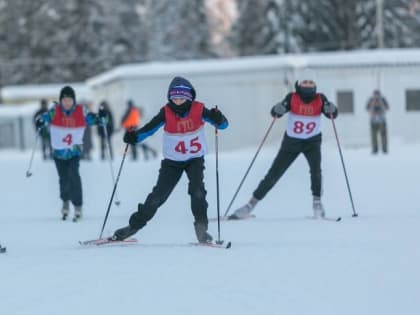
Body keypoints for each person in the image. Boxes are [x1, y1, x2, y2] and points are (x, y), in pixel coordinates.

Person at [111, 76, 228, 243]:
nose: (178, 101)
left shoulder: (199, 109)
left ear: (189, 97)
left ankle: (201, 230)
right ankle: (133, 226)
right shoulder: (166, 112)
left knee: (198, 192)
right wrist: (134, 137)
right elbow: (149, 129)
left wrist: (219, 118)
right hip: (172, 163)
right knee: (158, 195)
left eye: (181, 98)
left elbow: (223, 126)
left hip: (194, 160)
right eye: (174, 98)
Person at [229, 75, 338, 220]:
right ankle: (250, 205)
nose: (308, 85)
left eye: (311, 82)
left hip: (312, 142)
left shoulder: (320, 98)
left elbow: (331, 114)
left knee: (316, 172)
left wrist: (332, 109)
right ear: (299, 84)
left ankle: (317, 203)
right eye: (305, 82)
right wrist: (277, 109)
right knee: (274, 173)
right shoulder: (292, 97)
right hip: (291, 143)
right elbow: (277, 112)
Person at [35, 86, 108, 221]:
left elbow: (99, 120)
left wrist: (103, 116)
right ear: (61, 100)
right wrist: (39, 122)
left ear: (73, 100)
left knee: (74, 176)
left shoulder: (81, 112)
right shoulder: (54, 112)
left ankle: (78, 206)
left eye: (70, 100)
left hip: (74, 153)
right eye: (64, 100)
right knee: (63, 179)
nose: (67, 103)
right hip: (58, 154)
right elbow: (42, 120)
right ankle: (65, 203)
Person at [366, 90, 389, 154]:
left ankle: (384, 149)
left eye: (377, 95)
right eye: (375, 95)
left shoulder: (383, 100)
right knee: (373, 136)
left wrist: (382, 107)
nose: (376, 96)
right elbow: (367, 108)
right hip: (373, 120)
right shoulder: (371, 100)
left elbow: (387, 107)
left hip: (382, 120)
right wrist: (372, 109)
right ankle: (375, 149)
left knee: (383, 135)